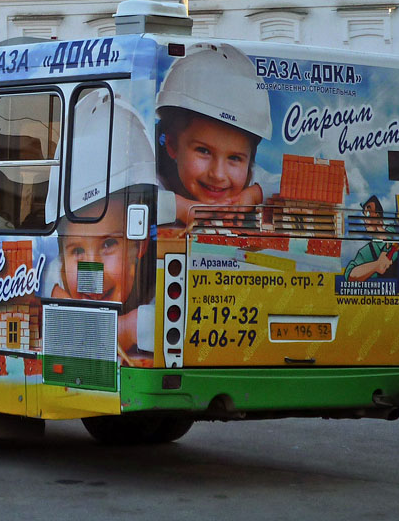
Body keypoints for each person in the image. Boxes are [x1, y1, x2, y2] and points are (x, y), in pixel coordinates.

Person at [48, 88, 159, 364]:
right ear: (61, 254)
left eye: (109, 243)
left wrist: (130, 326)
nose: (92, 270)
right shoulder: (54, 278)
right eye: (76, 251)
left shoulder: (159, 290)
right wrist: (118, 330)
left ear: (140, 243)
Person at [154, 42, 272, 229]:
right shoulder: (157, 178)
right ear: (172, 145)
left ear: (250, 158)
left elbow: (288, 184)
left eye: (235, 158)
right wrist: (181, 207)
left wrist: (255, 193)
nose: (218, 174)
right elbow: (130, 200)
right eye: (203, 151)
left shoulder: (250, 179)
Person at [344, 196, 399, 281]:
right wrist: (376, 265)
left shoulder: (396, 230)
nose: (365, 219)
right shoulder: (366, 252)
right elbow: (350, 275)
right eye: (364, 214)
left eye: (368, 213)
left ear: (378, 216)